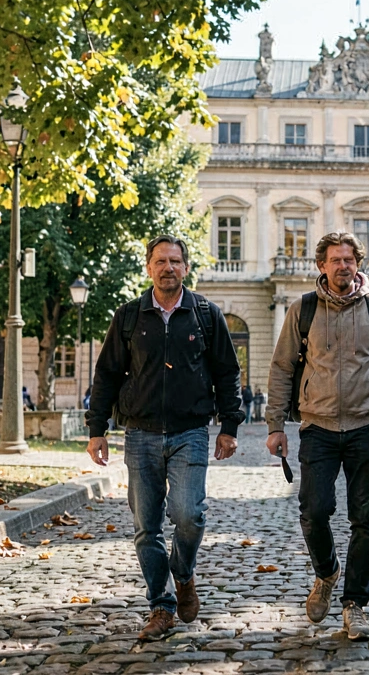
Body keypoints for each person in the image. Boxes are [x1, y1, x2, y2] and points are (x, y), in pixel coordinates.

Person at [85, 235, 243, 641]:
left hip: (191, 431)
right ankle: (161, 605)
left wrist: (229, 426)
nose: (168, 267)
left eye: (175, 261)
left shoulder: (206, 314)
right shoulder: (129, 316)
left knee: (189, 515)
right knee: (146, 528)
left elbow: (227, 373)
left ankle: (184, 573)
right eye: (160, 261)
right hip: (139, 434)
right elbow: (106, 375)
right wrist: (96, 429)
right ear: (148, 267)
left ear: (186, 268)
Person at [264, 232, 369, 642]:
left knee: (364, 519)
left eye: (349, 259)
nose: (343, 266)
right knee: (314, 510)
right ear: (322, 266)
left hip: (366, 425)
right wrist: (275, 424)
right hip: (319, 426)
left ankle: (355, 605)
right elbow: (280, 369)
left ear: (358, 264)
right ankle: (326, 572)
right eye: (335, 259)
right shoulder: (303, 310)